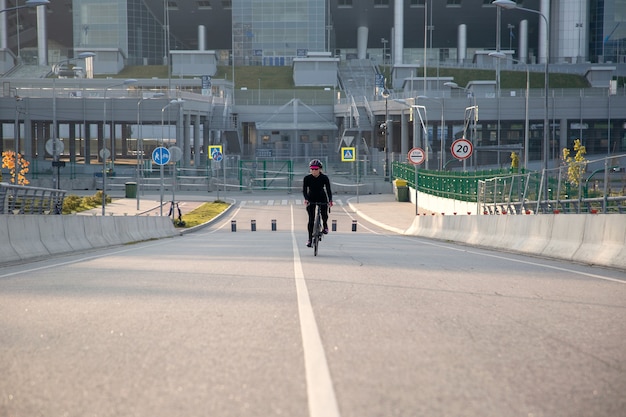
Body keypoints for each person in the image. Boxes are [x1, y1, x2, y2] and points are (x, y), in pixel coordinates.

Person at [302, 159, 333, 247]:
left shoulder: (324, 178)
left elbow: (328, 190)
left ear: (320, 169)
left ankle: (325, 226)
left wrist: (330, 200)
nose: (314, 171)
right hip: (311, 198)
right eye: (312, 169)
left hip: (322, 197)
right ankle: (309, 239)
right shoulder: (307, 178)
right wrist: (306, 199)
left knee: (324, 214)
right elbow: (304, 190)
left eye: (316, 169)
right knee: (311, 219)